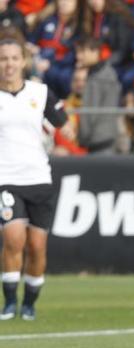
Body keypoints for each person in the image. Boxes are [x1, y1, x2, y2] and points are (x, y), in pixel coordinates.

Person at [0, 36, 74, 320]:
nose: (9, 64)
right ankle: (9, 301)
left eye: (13, 58)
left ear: (23, 61)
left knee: (37, 246)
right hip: (5, 177)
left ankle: (29, 302)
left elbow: (63, 122)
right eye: (4, 58)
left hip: (38, 177)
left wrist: (66, 130)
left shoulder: (40, 93)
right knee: (13, 237)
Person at [75, 36, 122, 154]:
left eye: (82, 52)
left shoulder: (102, 78)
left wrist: (84, 137)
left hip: (100, 143)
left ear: (95, 52)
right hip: (98, 141)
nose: (78, 56)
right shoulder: (98, 75)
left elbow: (91, 112)